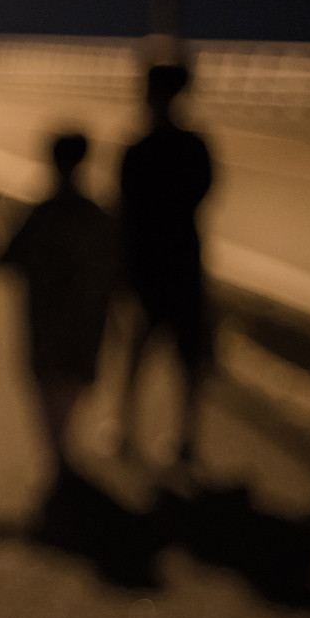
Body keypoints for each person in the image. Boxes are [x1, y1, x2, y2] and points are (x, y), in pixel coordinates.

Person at [0, 132, 120, 475]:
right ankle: (63, 453)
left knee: (46, 381)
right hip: (85, 315)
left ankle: (57, 456)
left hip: (45, 316)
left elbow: (5, 257)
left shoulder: (40, 213)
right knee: (73, 379)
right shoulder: (97, 216)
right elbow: (117, 267)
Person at [118, 63, 215, 465]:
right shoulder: (194, 146)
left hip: (146, 260)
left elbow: (124, 208)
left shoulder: (138, 149)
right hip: (185, 257)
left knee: (136, 348)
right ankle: (187, 439)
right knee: (189, 355)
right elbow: (205, 190)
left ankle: (125, 431)